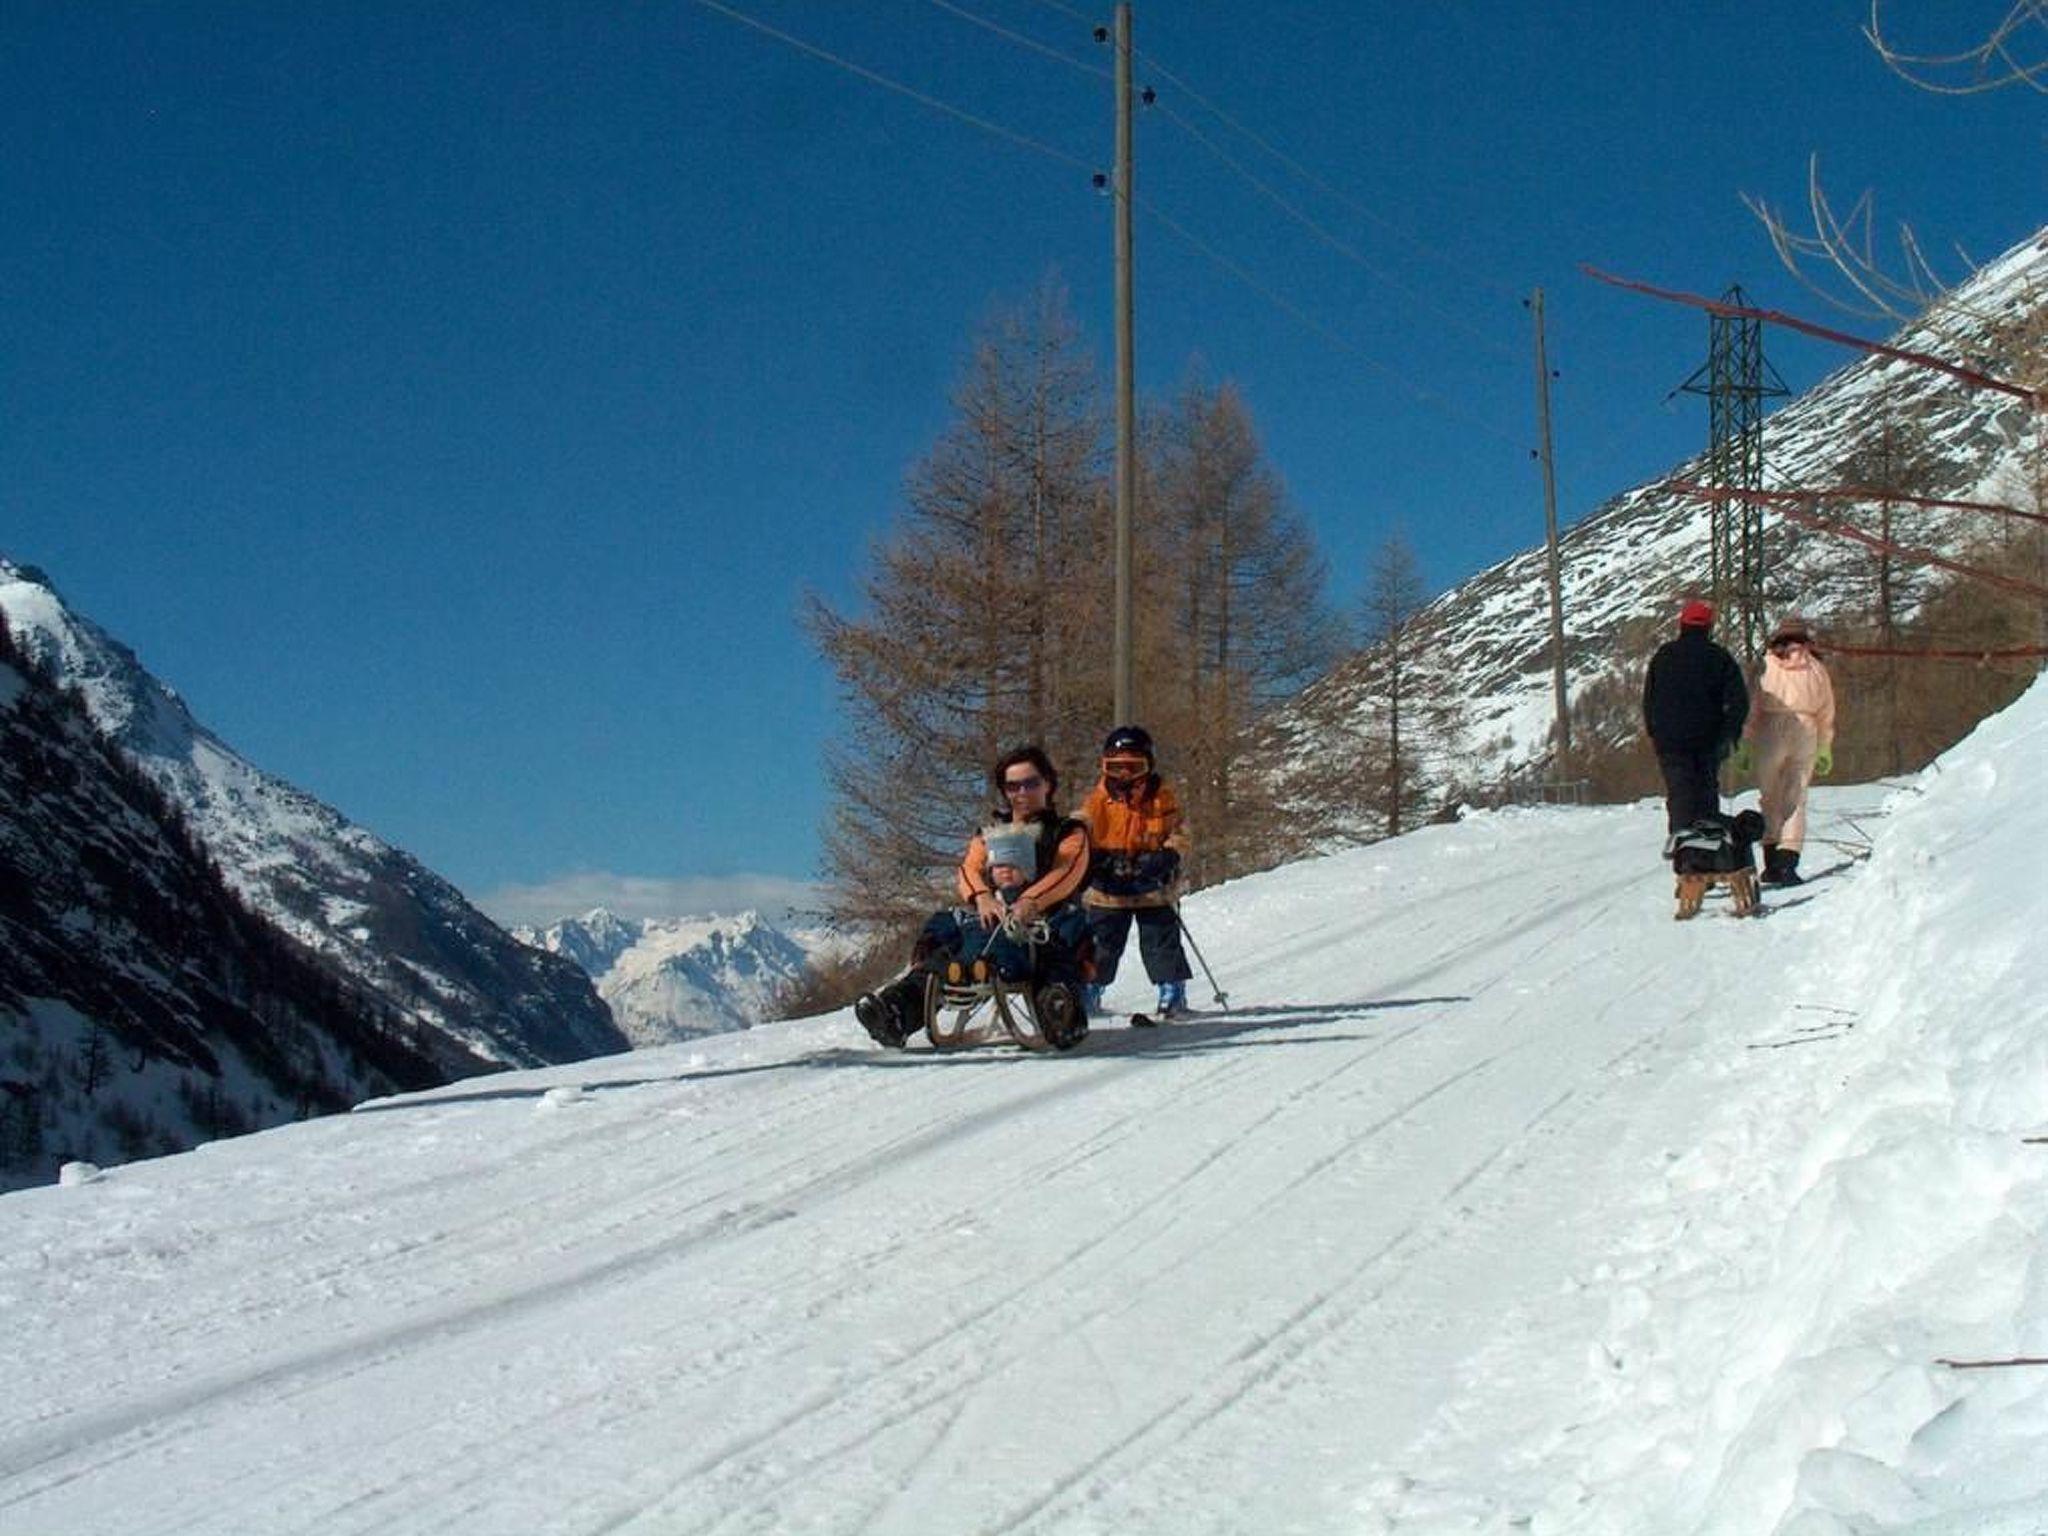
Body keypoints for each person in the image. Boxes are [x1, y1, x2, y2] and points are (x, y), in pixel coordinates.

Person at [854, 745, 1092, 1051]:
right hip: (991, 918)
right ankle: (898, 1011)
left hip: (1047, 920)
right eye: (1013, 786)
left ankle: (1060, 1012)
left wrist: (1029, 902)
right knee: (947, 940)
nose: (1022, 792)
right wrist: (982, 897)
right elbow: (970, 867)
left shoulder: (1068, 832)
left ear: (1048, 783)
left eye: (1030, 783)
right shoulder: (991, 832)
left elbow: (1065, 871)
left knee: (1056, 950)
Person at [1079, 724, 1194, 1019]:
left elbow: (1181, 831)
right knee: (1100, 944)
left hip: (1151, 886)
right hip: (1109, 890)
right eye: (1116, 767)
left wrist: (1167, 854)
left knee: (1160, 942)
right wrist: (1095, 859)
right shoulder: (1096, 800)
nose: (1125, 776)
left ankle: (1172, 990)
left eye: (1134, 767)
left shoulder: (1162, 798)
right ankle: (1091, 989)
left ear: (1148, 766)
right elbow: (1078, 833)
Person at [1735, 614, 1837, 886]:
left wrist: (1745, 741)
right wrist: (1825, 745)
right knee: (1796, 797)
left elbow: (1753, 707)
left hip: (1770, 729)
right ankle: (1788, 862)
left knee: (1770, 797)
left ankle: (1770, 860)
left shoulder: (1768, 666)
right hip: (1807, 730)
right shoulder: (1817, 669)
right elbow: (1827, 710)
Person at [1642, 597, 1749, 841]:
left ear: (1682, 624)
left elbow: (1649, 698)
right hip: (1708, 740)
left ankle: (1684, 853)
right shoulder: (1719, 657)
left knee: (1679, 794)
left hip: (1670, 741)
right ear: (1709, 626)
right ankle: (1707, 854)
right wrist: (1730, 735)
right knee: (1705, 795)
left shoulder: (1664, 656)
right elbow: (1738, 702)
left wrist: (1654, 732)